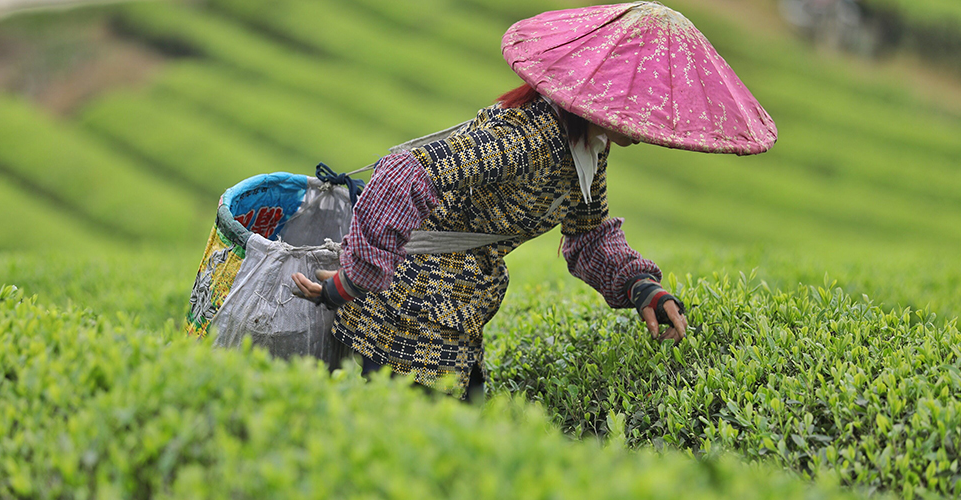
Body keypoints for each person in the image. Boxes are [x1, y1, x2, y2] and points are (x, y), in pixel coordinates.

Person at [292, 2, 776, 399]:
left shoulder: (588, 147)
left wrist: (641, 287)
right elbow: (403, 175)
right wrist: (351, 282)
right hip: (408, 317)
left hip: (455, 315)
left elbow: (588, 237)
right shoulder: (531, 136)